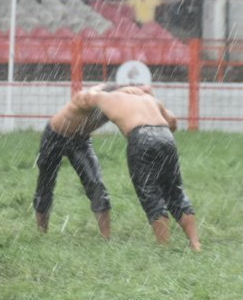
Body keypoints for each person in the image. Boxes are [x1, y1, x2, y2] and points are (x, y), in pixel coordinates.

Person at [73, 86, 200, 250]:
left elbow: (83, 97)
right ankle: (195, 243)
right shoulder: (149, 99)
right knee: (175, 191)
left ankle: (164, 246)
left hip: (141, 137)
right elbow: (173, 122)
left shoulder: (109, 97)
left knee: (149, 192)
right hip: (166, 137)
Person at [33, 84, 117, 239]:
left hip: (80, 140)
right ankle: (41, 235)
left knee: (96, 184)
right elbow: (82, 97)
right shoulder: (89, 97)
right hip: (54, 136)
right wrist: (100, 96)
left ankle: (107, 239)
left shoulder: (119, 102)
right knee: (45, 185)